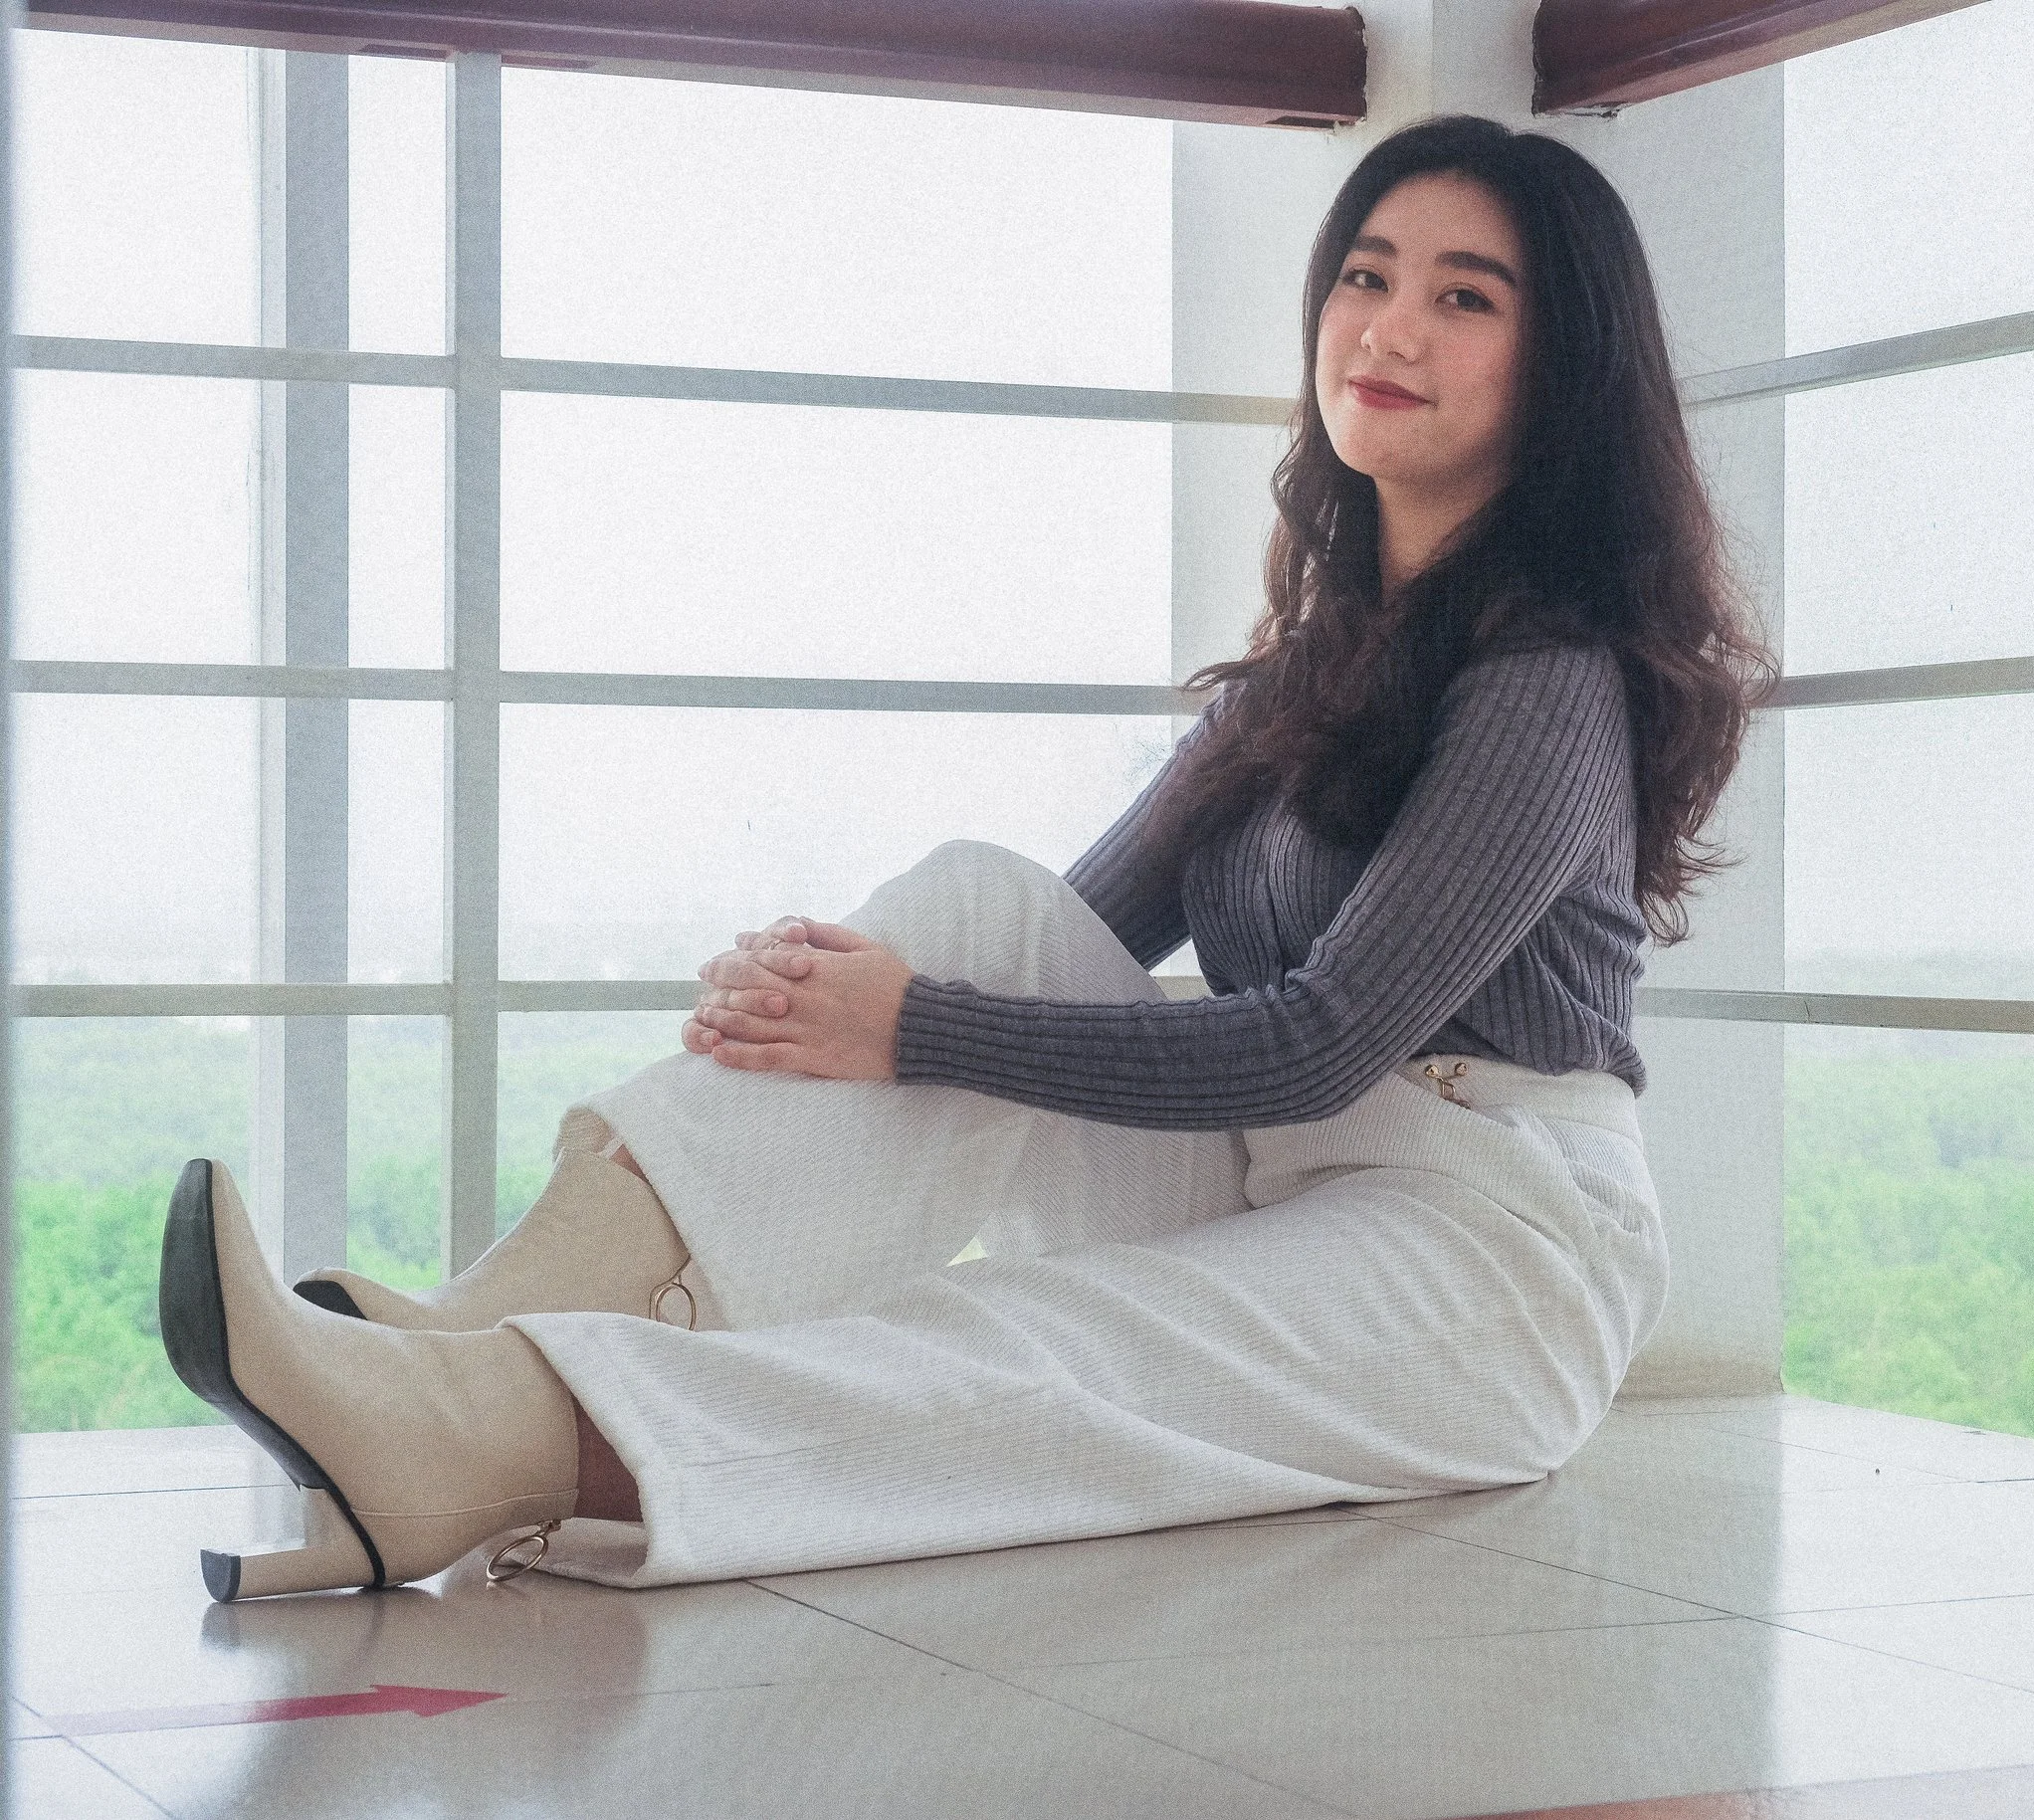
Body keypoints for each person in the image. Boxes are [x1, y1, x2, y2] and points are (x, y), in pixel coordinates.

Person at [159, 112, 1777, 1602]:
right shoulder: (1305, 681)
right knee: (977, 904)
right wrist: (843, 1004)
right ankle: (469, 1335)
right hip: (1290, 1173)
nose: (1389, 326)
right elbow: (1043, 939)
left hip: (1491, 1262)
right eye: (1366, 275)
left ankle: (473, 1439)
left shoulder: (1550, 681)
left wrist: (906, 1025)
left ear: (1560, 372)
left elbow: (1323, 1041)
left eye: (1466, 298)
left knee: (1038, 1340)